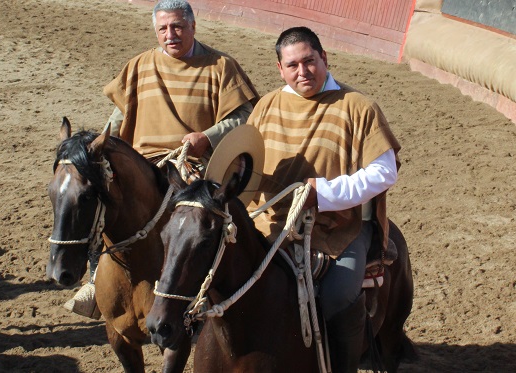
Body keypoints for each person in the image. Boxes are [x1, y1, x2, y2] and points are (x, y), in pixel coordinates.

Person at [66, 0, 259, 319]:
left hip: (190, 167)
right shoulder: (140, 65)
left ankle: (204, 294)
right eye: (163, 29)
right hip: (139, 162)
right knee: (97, 200)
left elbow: (243, 117)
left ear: (193, 27)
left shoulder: (221, 66)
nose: (171, 34)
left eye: (178, 27)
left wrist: (207, 137)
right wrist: (101, 148)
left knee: (199, 226)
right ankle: (95, 281)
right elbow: (121, 115)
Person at [246, 27, 400, 373]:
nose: (303, 72)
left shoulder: (358, 107)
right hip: (269, 222)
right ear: (279, 69)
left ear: (324, 59)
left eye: (309, 61)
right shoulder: (267, 105)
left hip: (340, 226)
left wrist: (325, 194)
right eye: (293, 65)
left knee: (338, 294)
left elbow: (384, 172)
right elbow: (247, 162)